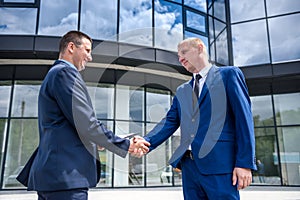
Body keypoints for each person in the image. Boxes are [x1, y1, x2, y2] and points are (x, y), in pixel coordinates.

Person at [16, 30, 149, 200]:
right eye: (87, 50)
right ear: (71, 47)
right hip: (66, 177)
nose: (90, 57)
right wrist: (125, 144)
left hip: (57, 178)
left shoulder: (55, 73)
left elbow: (72, 127)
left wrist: (96, 142)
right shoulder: (65, 73)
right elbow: (86, 123)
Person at [134, 37, 257, 199]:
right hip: (189, 166)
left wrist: (244, 163)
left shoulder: (229, 75)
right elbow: (170, 122)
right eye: (178, 56)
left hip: (220, 164)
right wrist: (146, 140)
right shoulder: (182, 90)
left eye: (184, 52)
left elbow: (244, 119)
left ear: (199, 48)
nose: (180, 58)